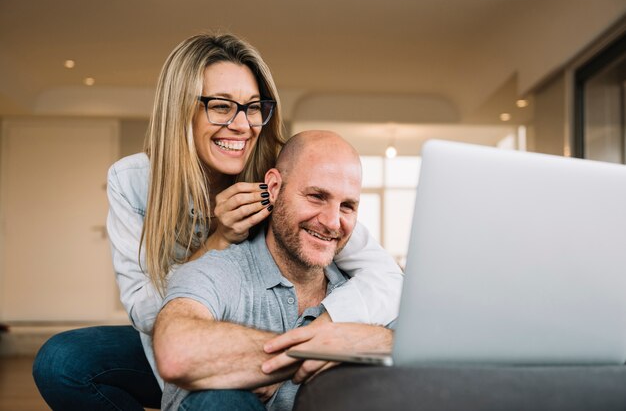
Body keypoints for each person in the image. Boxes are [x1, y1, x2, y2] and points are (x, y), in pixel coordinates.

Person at [33, 34, 402, 410]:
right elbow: (147, 312)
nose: (242, 126)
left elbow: (386, 278)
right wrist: (218, 239)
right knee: (63, 362)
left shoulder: (285, 178)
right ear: (181, 111)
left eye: (253, 107)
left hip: (269, 328)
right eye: (221, 106)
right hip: (183, 334)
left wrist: (325, 332)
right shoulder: (134, 182)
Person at [154, 130, 395, 411]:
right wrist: (321, 347)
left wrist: (378, 340)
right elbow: (177, 352)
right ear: (274, 187)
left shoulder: (364, 295)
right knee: (219, 398)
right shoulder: (220, 270)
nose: (332, 222)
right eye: (316, 196)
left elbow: (430, 352)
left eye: (347, 206)